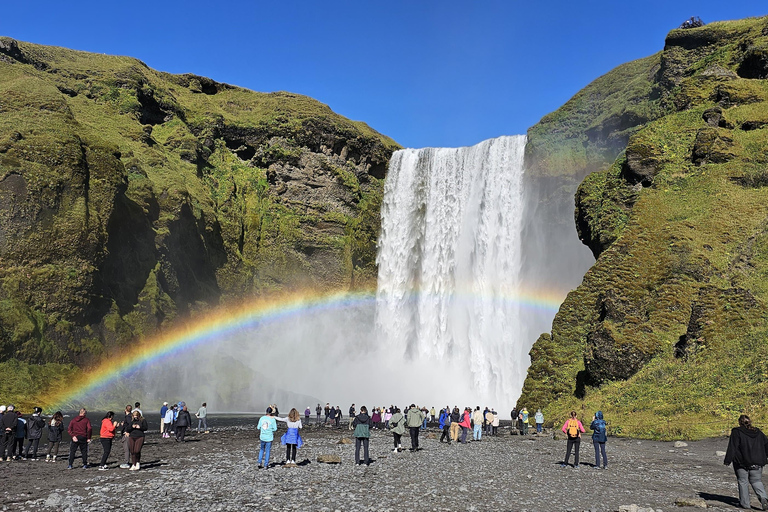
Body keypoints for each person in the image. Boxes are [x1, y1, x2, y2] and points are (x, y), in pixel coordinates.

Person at [724, 414, 768, 510]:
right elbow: (766, 445)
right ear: (750, 422)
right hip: (757, 461)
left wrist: (728, 460)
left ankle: (745, 504)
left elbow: (733, 446)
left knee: (743, 481)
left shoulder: (736, 432)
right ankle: (764, 498)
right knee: (756, 481)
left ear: (739, 422)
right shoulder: (758, 432)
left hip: (742, 462)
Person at [119, 404, 133, 469]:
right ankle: (130, 462)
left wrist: (127, 431)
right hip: (130, 434)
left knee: (126, 449)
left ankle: (127, 462)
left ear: (125, 410)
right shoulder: (131, 416)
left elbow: (130, 425)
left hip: (127, 435)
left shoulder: (128, 417)